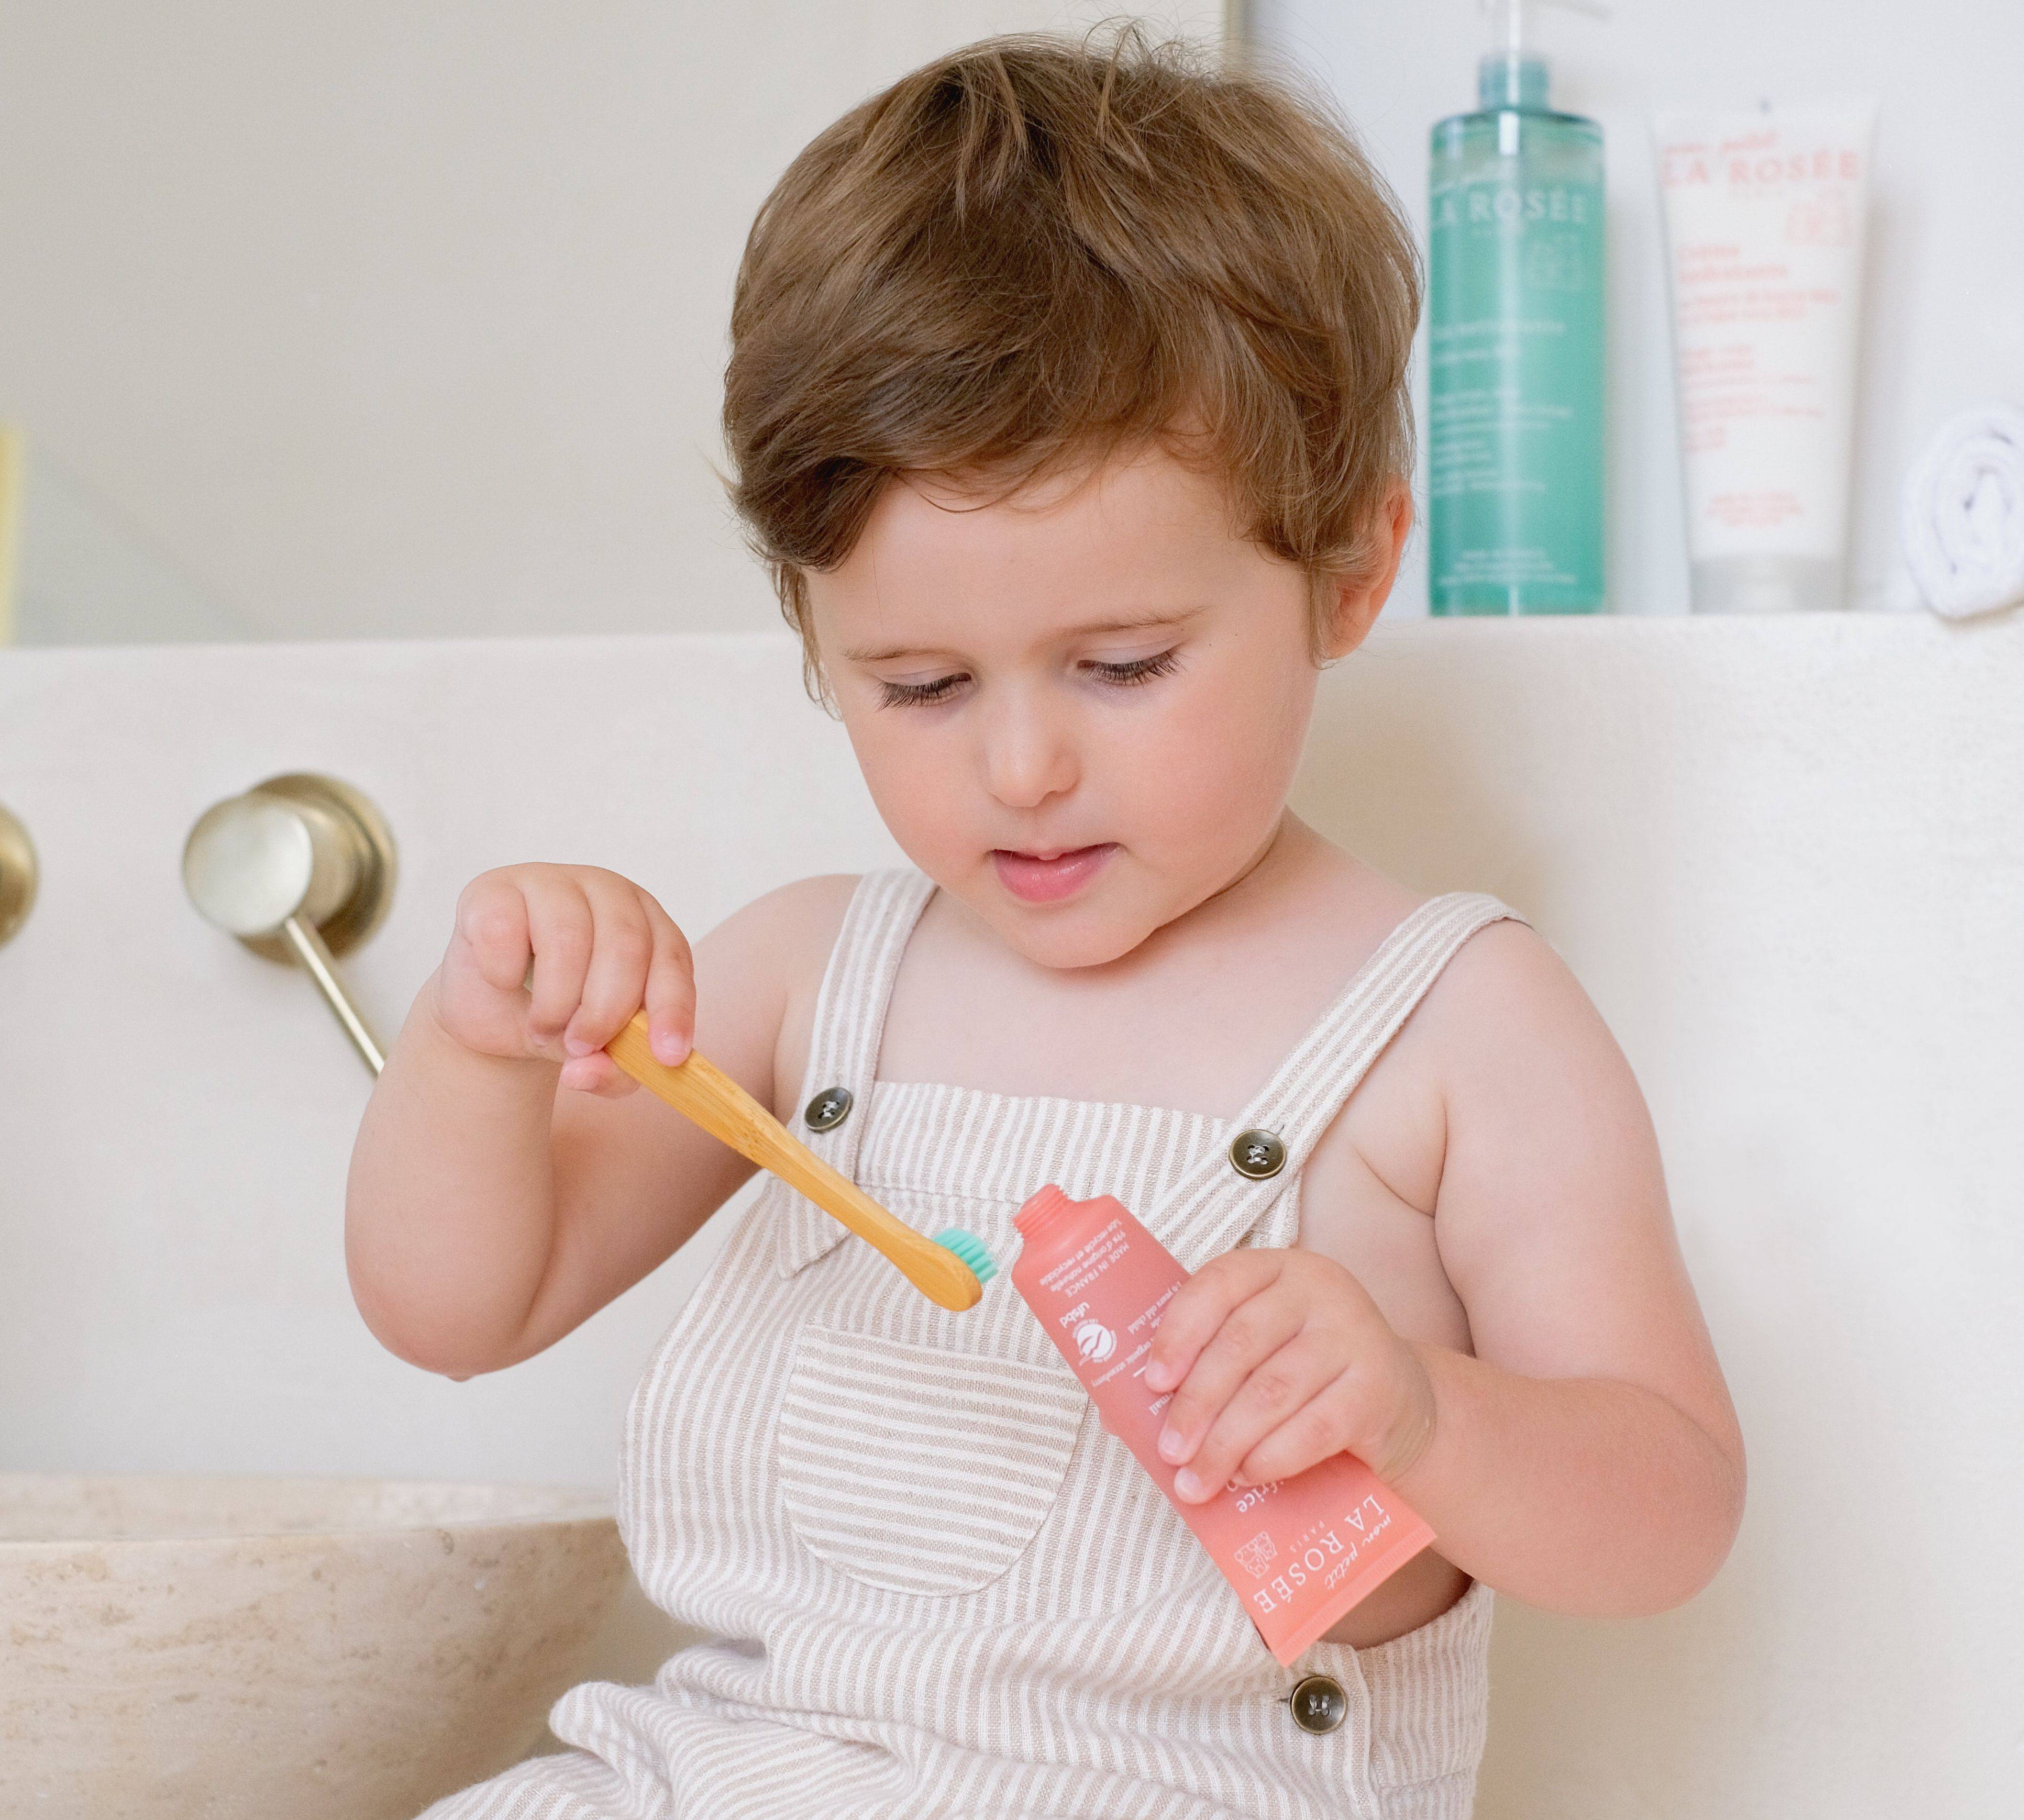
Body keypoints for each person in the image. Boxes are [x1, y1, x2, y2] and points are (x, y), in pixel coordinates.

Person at [348, 30, 1744, 1819]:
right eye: (918, 684)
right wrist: (474, 1049)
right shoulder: (802, 981)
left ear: (1348, 574)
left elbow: (1672, 1504)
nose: (1022, 766)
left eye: (1124, 666)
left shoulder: (1455, 1028)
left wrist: (1424, 1412)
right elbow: (459, 1305)